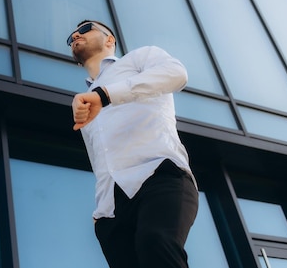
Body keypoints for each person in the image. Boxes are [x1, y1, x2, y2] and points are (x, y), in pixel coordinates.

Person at [68, 19, 198, 268]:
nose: (75, 35)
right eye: (71, 36)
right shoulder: (83, 104)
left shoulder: (140, 59)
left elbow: (177, 74)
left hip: (160, 174)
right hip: (112, 209)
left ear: (109, 39)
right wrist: (101, 211)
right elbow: (100, 159)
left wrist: (105, 96)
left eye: (85, 29)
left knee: (156, 243)